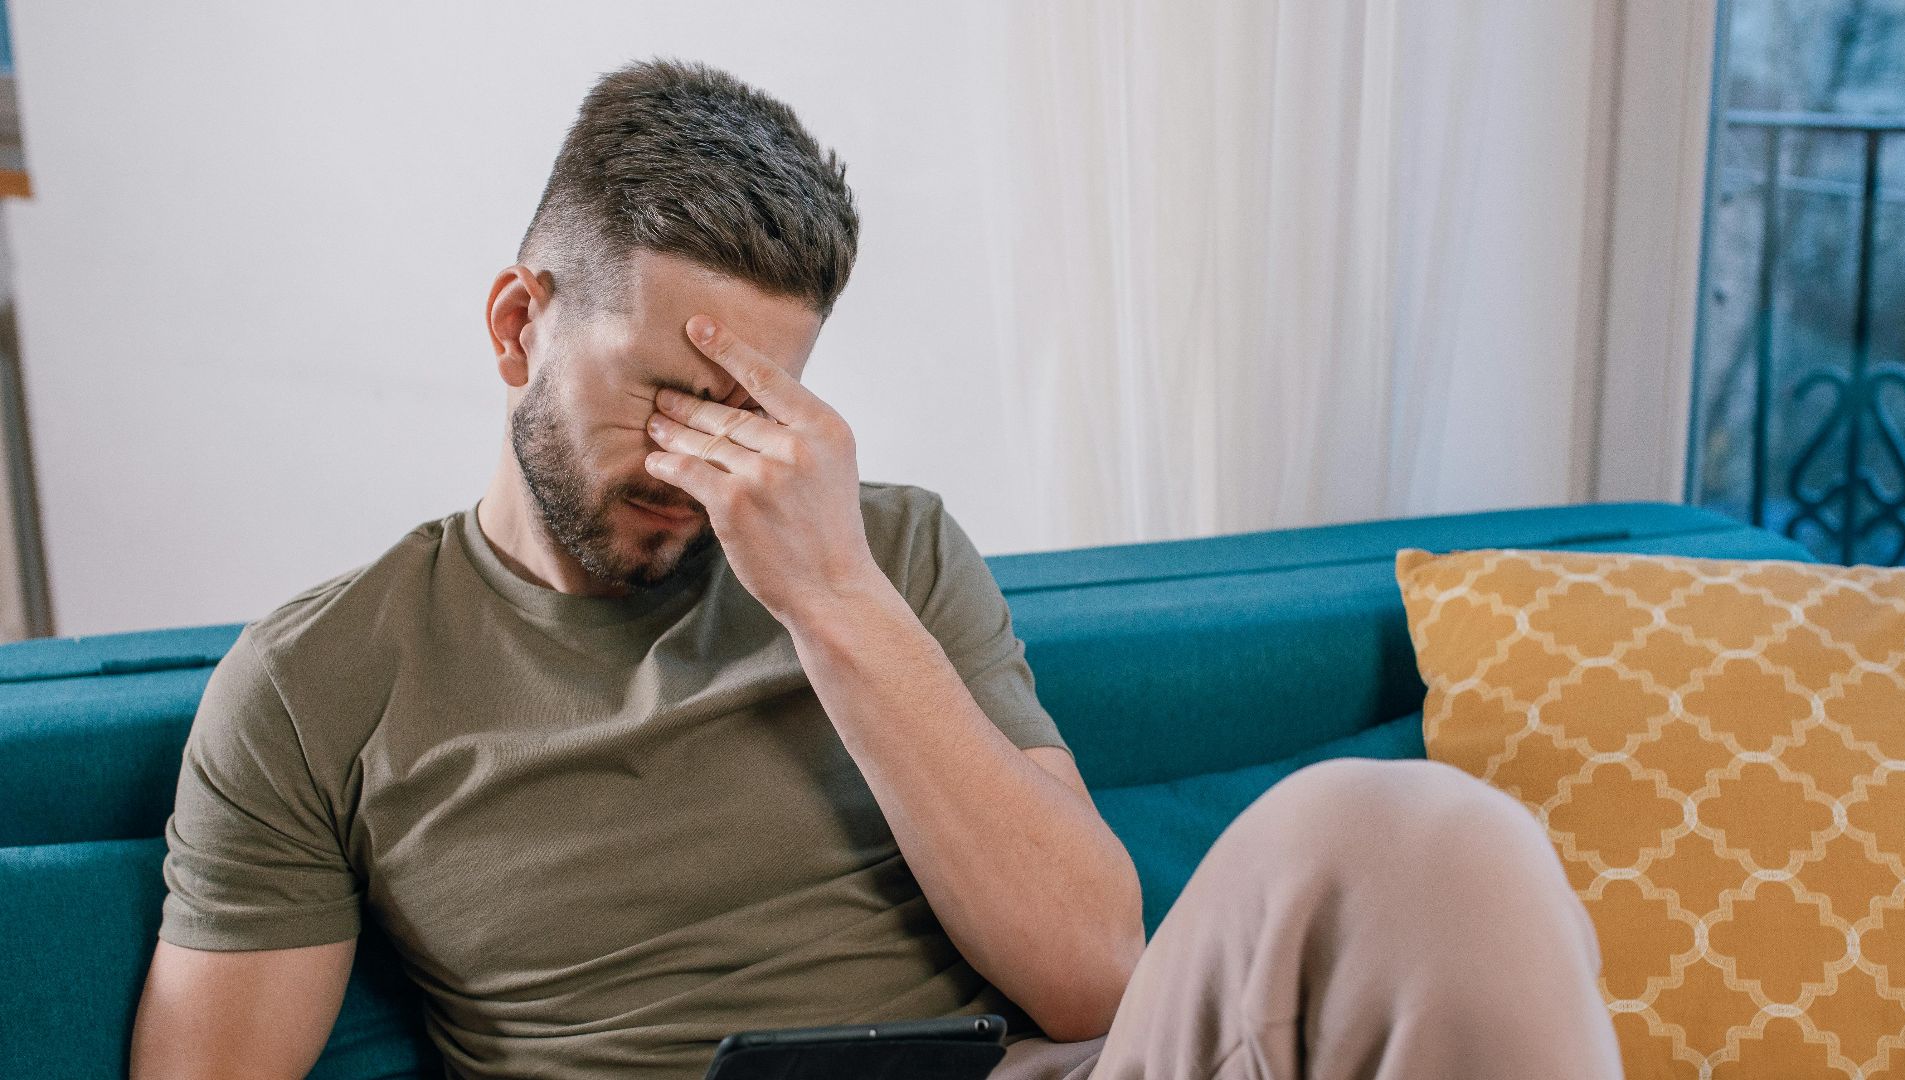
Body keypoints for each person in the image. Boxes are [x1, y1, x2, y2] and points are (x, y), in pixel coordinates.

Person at [129, 57, 1623, 1080]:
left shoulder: (885, 549)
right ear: (520, 325)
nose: (694, 461)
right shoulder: (323, 681)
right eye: (663, 390)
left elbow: (1097, 978)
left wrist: (832, 601)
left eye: (751, 404)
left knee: (1413, 832)